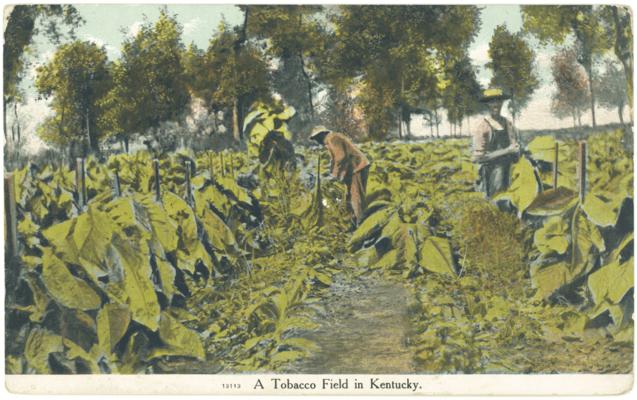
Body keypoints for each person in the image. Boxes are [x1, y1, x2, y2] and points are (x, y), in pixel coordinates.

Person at [309, 126, 370, 227]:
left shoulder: (333, 138)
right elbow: (334, 160)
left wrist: (334, 176)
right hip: (353, 169)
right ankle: (354, 222)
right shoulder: (330, 141)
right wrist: (331, 173)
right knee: (349, 197)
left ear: (322, 135)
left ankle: (362, 224)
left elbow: (341, 157)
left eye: (317, 138)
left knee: (356, 197)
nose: (317, 141)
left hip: (357, 167)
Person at [472, 88, 520, 198]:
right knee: (498, 201)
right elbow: (477, 158)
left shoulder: (508, 123)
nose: (496, 104)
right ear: (488, 104)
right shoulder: (484, 127)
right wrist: (506, 151)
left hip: (510, 170)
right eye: (492, 101)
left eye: (498, 101)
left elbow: (514, 145)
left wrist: (516, 150)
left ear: (502, 103)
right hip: (493, 172)